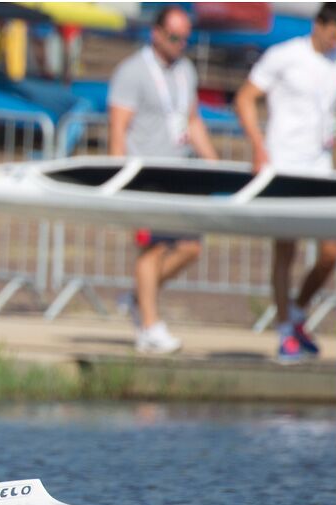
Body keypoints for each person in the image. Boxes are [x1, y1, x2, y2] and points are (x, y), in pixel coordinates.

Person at [234, 2, 336, 364]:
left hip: (319, 165)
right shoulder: (285, 55)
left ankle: (297, 311)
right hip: (283, 162)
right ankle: (284, 329)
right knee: (286, 249)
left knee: (331, 252)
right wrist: (257, 146)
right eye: (333, 33)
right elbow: (246, 98)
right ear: (320, 25)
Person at [107, 5, 219, 354]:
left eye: (186, 38)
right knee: (151, 249)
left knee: (189, 248)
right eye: (174, 37)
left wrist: (214, 162)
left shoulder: (185, 70)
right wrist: (116, 177)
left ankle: (139, 297)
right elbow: (118, 128)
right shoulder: (132, 71)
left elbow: (191, 120)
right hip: (144, 176)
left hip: (179, 175)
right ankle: (150, 329)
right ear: (156, 33)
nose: (180, 44)